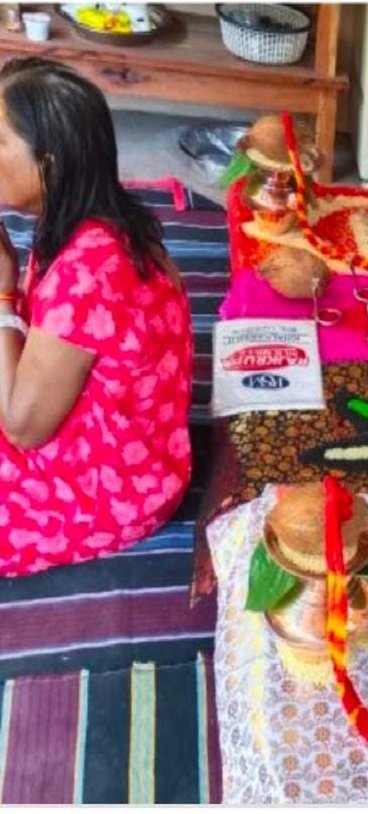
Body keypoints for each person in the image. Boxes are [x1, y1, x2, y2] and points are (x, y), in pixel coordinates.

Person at [0, 57, 193, 577]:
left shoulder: (88, 274)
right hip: (137, 451)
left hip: (113, 490)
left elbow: (22, 429)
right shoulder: (97, 219)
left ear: (50, 165)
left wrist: (2, 291)